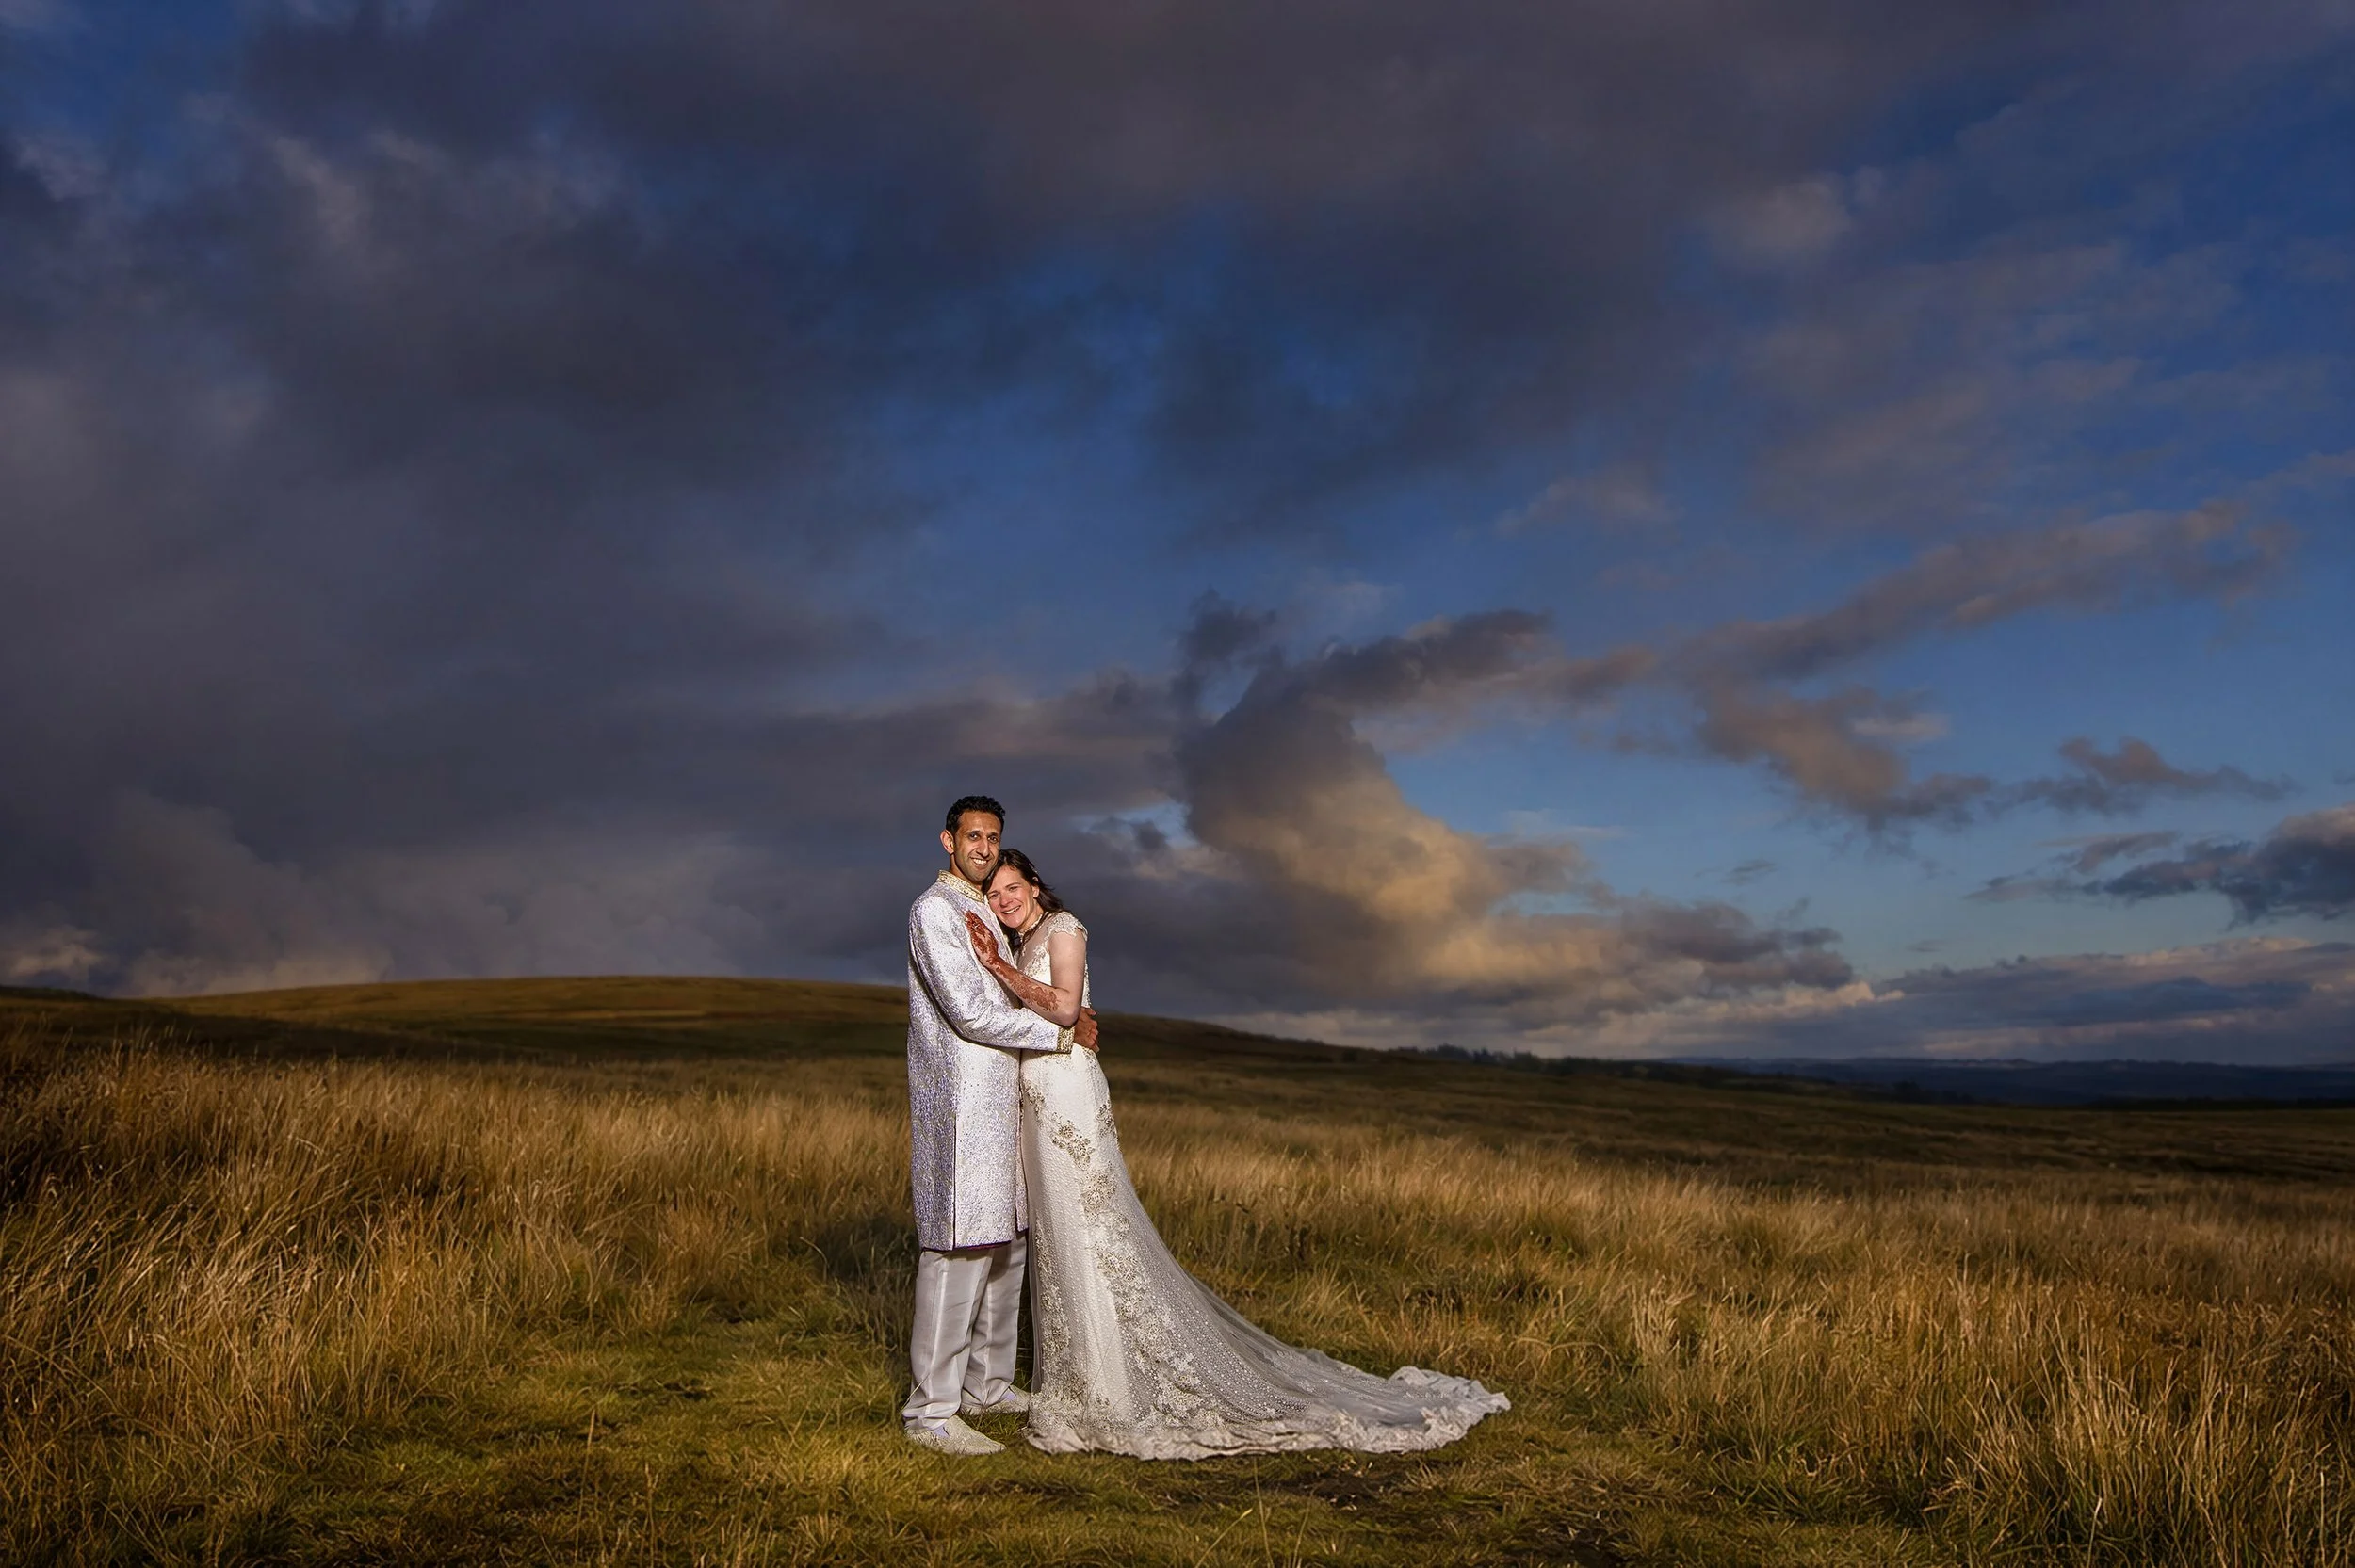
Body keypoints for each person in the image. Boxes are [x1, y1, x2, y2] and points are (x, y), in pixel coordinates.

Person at [964, 848, 1509, 1459]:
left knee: (1089, 1229)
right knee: (1063, 1238)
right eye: (996, 895)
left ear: (1035, 884)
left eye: (1012, 887)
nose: (1005, 901)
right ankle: (1084, 1371)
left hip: (1067, 1099)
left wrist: (998, 967)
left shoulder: (1064, 929)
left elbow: (1065, 1007)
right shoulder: (1022, 943)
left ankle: (1112, 1383)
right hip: (1038, 1107)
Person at [901, 796, 1098, 1456]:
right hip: (959, 1106)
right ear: (947, 840)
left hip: (1004, 1104)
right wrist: (1060, 1034)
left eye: (993, 836)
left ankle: (987, 1385)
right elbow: (968, 1013)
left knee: (1006, 1245)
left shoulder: (983, 905)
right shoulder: (934, 911)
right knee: (956, 1251)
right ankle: (929, 1410)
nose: (984, 846)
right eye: (973, 835)